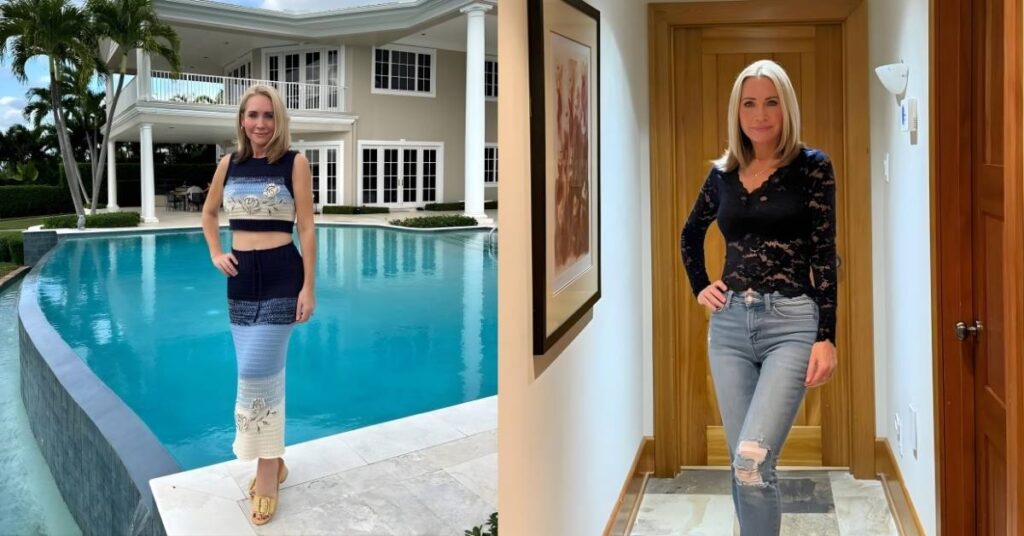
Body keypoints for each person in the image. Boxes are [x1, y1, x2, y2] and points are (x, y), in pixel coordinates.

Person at [679, 59, 838, 536]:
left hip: (791, 324)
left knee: (751, 460)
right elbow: (690, 235)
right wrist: (699, 286)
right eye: (749, 103)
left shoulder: (812, 167)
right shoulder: (723, 174)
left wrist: (826, 337)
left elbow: (825, 254)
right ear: (737, 110)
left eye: (771, 102)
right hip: (728, 328)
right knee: (743, 465)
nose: (760, 114)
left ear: (785, 107)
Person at [201, 84, 316, 526]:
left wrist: (309, 287)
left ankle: (267, 471)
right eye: (253, 115)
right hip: (241, 278)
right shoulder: (228, 164)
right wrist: (215, 252)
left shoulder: (294, 162)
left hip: (283, 272)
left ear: (278, 119)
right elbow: (210, 214)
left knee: (257, 373)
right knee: (250, 370)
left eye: (268, 115)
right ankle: (274, 459)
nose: (260, 124)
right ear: (242, 120)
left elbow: (306, 227)